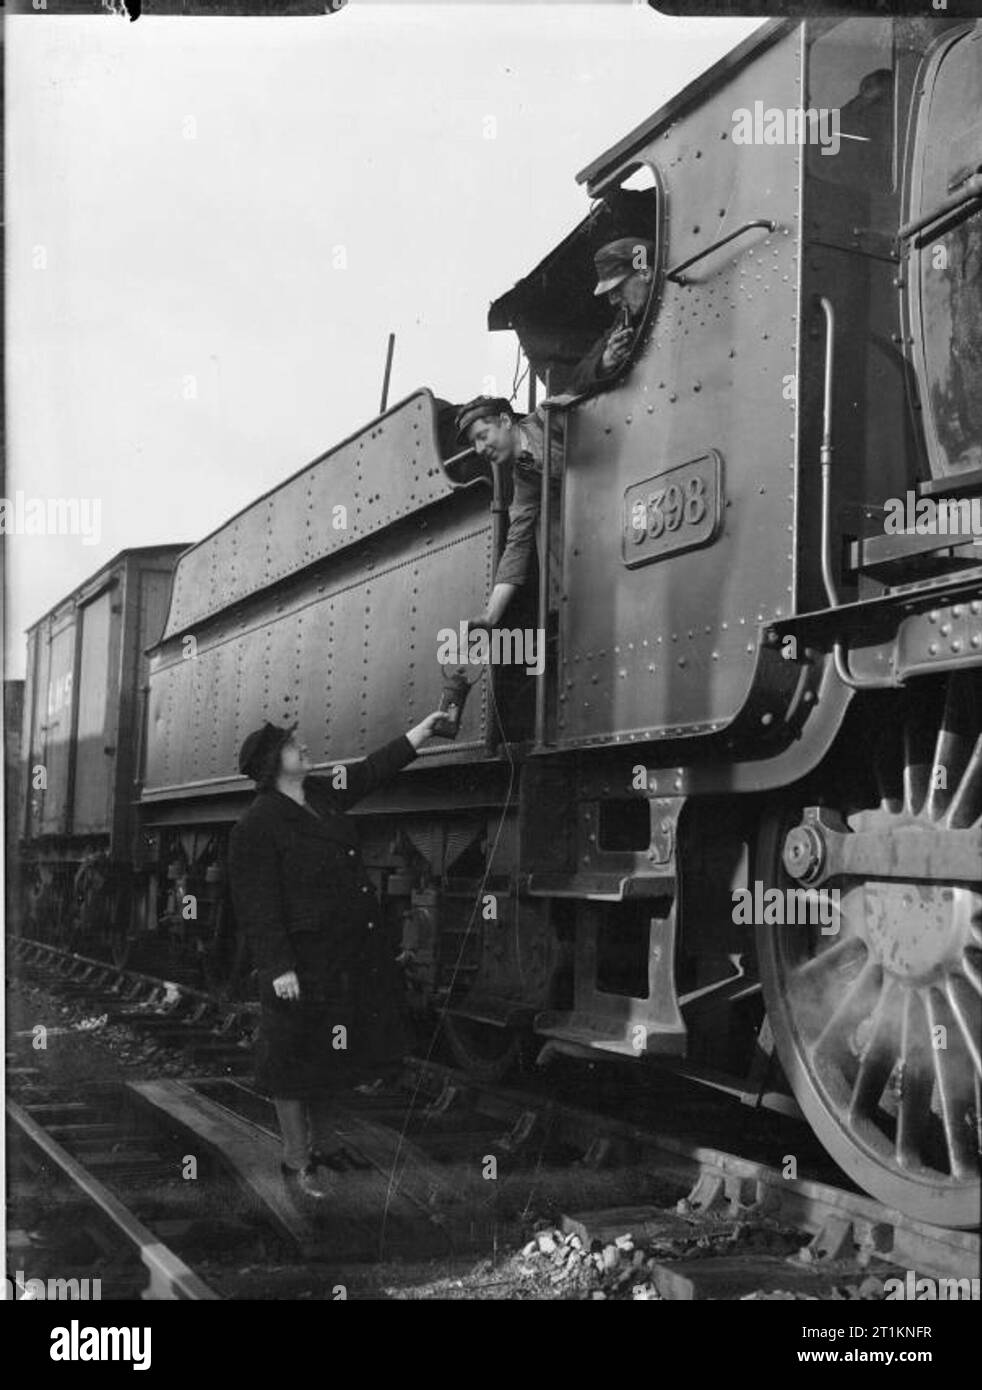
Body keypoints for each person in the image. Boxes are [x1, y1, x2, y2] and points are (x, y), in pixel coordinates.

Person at [228, 713, 443, 1199]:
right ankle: (297, 1161)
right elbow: (256, 905)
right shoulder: (256, 825)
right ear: (272, 764)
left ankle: (321, 1150)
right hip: (297, 962)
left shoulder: (322, 796)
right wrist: (278, 966)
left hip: (338, 955)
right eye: (292, 745)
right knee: (290, 1059)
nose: (303, 747)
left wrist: (423, 732)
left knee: (327, 1053)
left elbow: (371, 771)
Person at [454, 397, 563, 630]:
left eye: (482, 436)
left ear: (504, 421)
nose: (480, 449)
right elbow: (517, 544)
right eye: (474, 444)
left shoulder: (549, 417)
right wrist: (490, 616)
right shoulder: (525, 477)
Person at [567, 236, 655, 394]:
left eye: (617, 289)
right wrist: (605, 361)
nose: (612, 302)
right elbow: (577, 379)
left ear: (644, 273)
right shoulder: (623, 320)